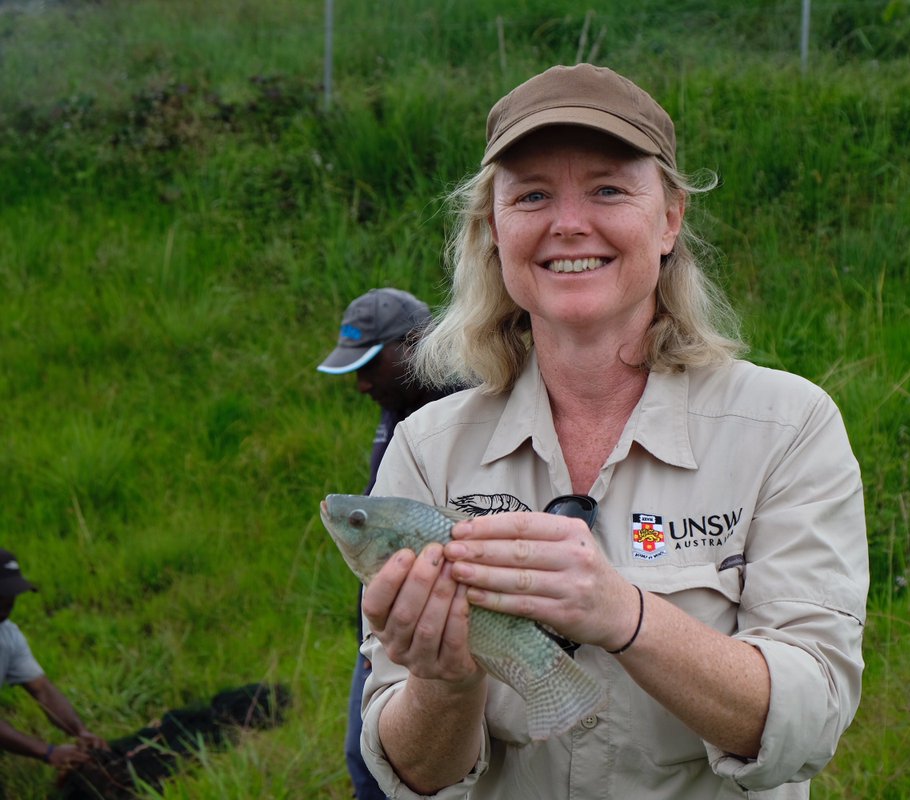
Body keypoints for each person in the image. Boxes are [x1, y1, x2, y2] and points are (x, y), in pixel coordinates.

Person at [357, 64, 869, 799]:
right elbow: (413, 777)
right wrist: (444, 681)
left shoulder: (788, 428)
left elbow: (808, 724)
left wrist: (622, 613)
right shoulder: (428, 450)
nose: (569, 224)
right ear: (493, 231)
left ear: (668, 219)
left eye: (607, 189)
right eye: (532, 195)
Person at [318, 287, 461, 800]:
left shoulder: (467, 408)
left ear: (414, 344)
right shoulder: (397, 405)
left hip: (449, 629)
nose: (360, 384)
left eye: (370, 364)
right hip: (388, 625)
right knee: (365, 755)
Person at [0, 549, 108, 771]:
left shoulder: (8, 635)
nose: (8, 602)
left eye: (12, 594)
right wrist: (48, 752)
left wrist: (79, 731)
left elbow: (42, 690)